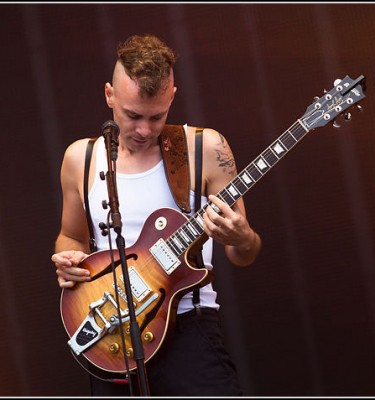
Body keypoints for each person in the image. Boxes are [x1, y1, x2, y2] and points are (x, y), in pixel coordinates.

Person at [51, 33, 261, 396]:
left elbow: (244, 254)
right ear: (109, 96)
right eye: (132, 116)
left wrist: (242, 237)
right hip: (111, 331)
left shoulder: (204, 148)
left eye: (157, 116)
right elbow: (71, 236)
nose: (144, 130)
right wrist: (69, 258)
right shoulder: (80, 160)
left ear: (172, 98)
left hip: (189, 328)